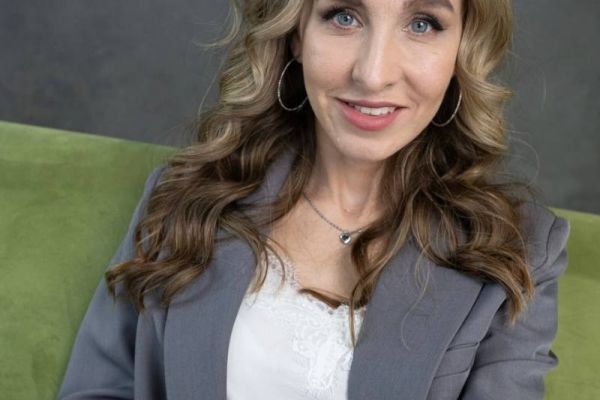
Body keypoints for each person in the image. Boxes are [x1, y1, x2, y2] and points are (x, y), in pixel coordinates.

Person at [57, 0, 570, 399]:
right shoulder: (182, 198)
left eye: (423, 24)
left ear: (463, 47)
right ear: (296, 32)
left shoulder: (521, 249)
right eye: (344, 16)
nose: (373, 73)